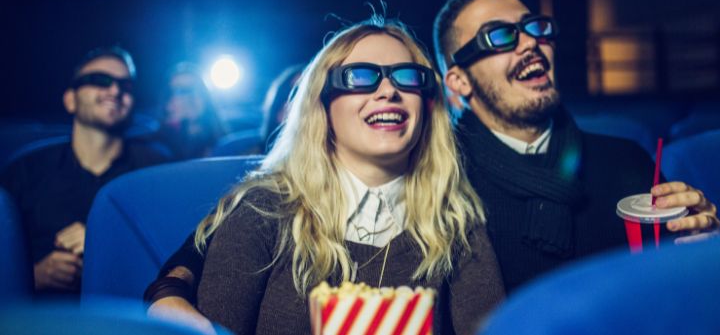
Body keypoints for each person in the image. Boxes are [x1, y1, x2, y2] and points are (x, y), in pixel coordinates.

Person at [148, 18, 504, 335]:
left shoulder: (457, 223)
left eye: (408, 77)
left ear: (427, 108)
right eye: (361, 77)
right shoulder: (263, 212)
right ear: (323, 106)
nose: (388, 90)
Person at [432, 0, 720, 291]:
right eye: (499, 35)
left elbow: (672, 290)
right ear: (459, 81)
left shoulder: (629, 161)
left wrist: (701, 245)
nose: (530, 43)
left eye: (535, 28)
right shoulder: (439, 184)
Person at [0, 46, 169, 297]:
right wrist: (31, 275)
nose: (115, 90)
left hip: (128, 312)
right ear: (70, 99)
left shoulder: (158, 170)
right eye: (100, 80)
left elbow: (176, 252)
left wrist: (107, 240)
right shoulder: (25, 169)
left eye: (126, 85)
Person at [156, 62, 227, 160]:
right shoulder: (153, 150)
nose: (190, 98)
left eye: (196, 89)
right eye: (181, 91)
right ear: (167, 101)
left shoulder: (227, 144)